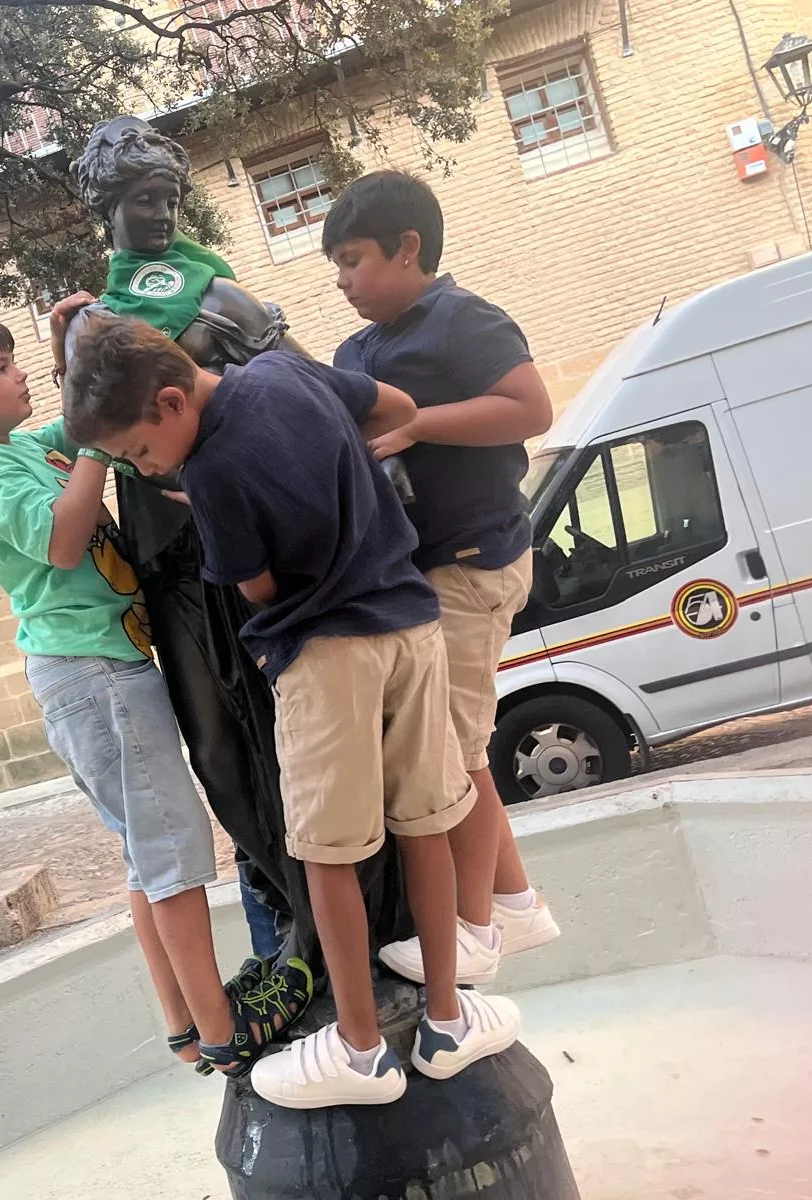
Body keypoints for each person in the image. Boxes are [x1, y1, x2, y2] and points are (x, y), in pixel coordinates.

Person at [63, 317, 521, 1108]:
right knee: (425, 822)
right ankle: (447, 1019)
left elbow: (258, 587)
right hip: (410, 624)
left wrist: (224, 498)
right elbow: (395, 406)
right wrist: (328, 468)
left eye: (138, 451)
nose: (144, 468)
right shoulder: (288, 373)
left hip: (326, 652)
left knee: (327, 851)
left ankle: (360, 1050)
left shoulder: (211, 474)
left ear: (171, 402)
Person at [0, 314, 312, 1077]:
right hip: (93, 672)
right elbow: (63, 539)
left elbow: (89, 413)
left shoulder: (26, 445)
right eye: (1, 366)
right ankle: (225, 1033)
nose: (19, 373)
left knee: (145, 855)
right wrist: (93, 445)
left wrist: (76, 351)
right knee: (173, 849)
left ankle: (184, 1025)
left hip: (104, 665)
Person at [52, 116, 411, 979]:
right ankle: (299, 918)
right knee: (216, 753)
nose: (161, 215)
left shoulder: (218, 297)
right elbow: (88, 437)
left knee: (290, 738)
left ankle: (355, 933)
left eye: (169, 197)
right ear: (106, 208)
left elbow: (315, 394)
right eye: (144, 200)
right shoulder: (87, 325)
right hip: (166, 563)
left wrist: (376, 488)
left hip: (246, 549)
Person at [322, 171, 561, 985]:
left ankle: (475, 935)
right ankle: (517, 905)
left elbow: (530, 409)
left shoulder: (464, 318)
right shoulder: (356, 353)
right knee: (459, 747)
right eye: (336, 266)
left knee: (454, 755)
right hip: (418, 575)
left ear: (408, 247)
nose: (343, 280)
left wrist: (418, 425)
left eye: (353, 259)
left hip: (472, 562)